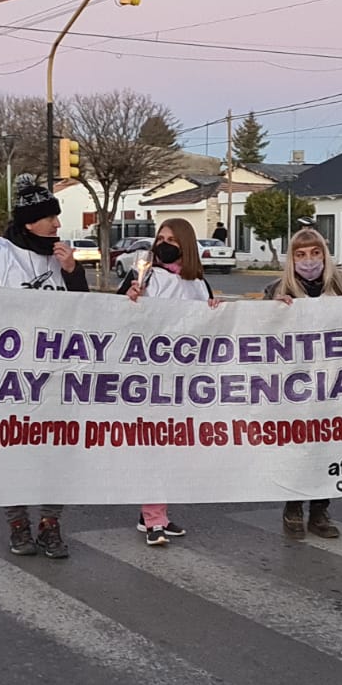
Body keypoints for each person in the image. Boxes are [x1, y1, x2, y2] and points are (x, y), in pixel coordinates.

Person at [0, 177, 89, 559]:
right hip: (9, 377)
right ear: (29, 222)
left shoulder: (61, 256)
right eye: (50, 218)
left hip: (58, 375)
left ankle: (50, 523)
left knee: (57, 452)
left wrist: (73, 271)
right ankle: (18, 524)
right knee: (11, 451)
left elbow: (85, 311)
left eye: (57, 218)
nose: (57, 225)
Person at [264, 226, 342, 540]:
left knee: (329, 446)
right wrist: (273, 310)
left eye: (315, 253)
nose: (309, 260)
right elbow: (260, 332)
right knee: (297, 447)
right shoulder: (278, 288)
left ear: (324, 255)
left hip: (333, 384)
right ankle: (293, 507)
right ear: (292, 259)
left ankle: (320, 511)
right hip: (293, 387)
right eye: (301, 254)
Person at [120, 218, 221, 546]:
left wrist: (215, 311)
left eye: (172, 240)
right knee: (155, 448)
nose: (163, 244)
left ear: (186, 245)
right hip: (150, 379)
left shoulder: (199, 284)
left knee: (174, 449)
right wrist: (130, 298)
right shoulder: (146, 276)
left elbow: (208, 326)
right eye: (160, 238)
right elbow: (115, 316)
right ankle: (154, 519)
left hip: (185, 381)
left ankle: (152, 513)